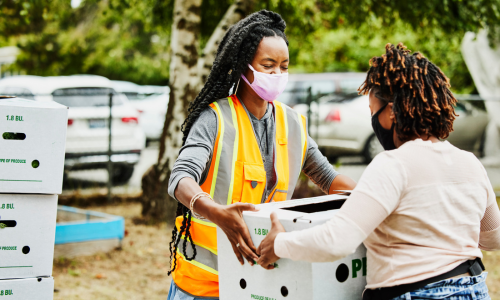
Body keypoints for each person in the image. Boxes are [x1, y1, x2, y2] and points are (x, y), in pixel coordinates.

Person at [257, 43, 500, 300]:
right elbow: (493, 239)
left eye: (374, 112)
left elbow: (336, 241)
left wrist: (279, 244)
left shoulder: (394, 165)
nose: (373, 121)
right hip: (474, 288)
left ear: (393, 111)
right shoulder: (469, 162)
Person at [166, 10, 356, 300]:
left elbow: (329, 178)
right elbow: (180, 179)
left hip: (260, 281)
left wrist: (372, 200)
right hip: (206, 286)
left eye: (284, 66)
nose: (278, 74)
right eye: (268, 65)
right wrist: (216, 212)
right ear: (244, 66)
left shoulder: (292, 123)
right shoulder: (214, 119)